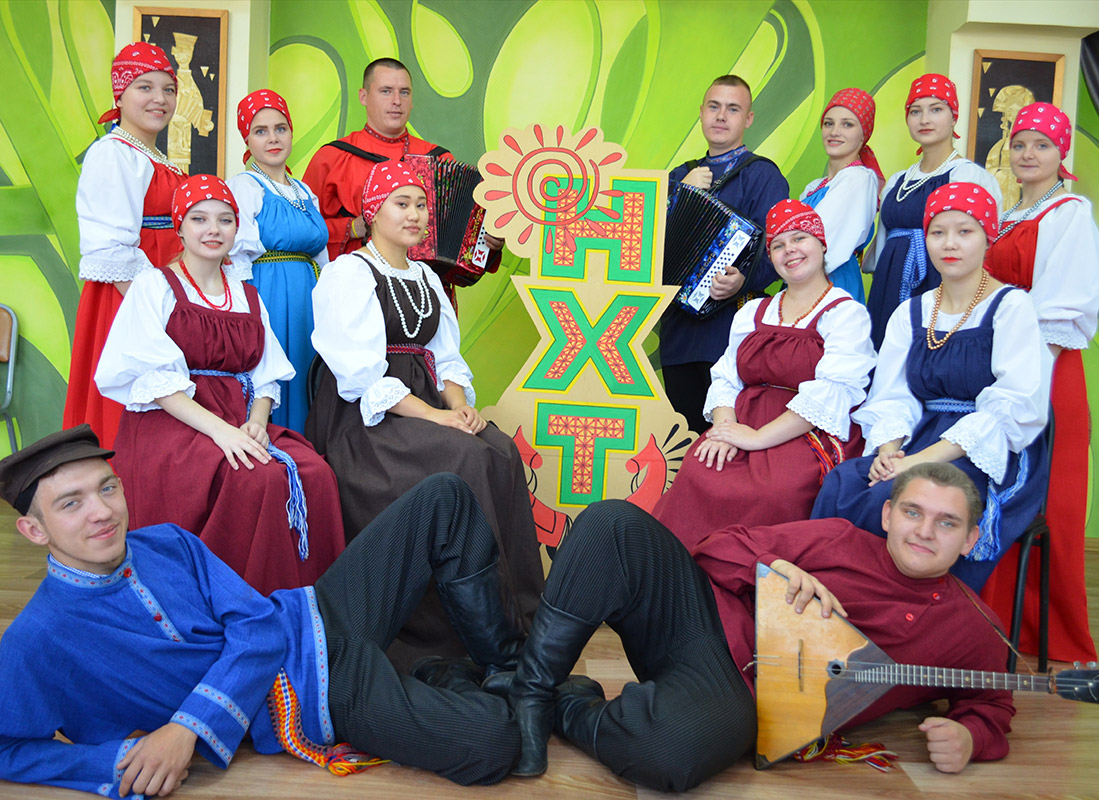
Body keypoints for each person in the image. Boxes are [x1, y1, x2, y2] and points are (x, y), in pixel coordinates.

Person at [0, 426, 525, 797]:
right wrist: (120, 762)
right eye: (71, 503)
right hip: (316, 695)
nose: (102, 512)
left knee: (444, 496)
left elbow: (259, 623)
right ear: (34, 530)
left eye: (107, 487)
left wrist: (186, 727)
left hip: (317, 614)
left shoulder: (167, 542)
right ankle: (448, 678)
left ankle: (507, 670)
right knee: (494, 745)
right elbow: (7, 748)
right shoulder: (35, 638)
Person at [493, 462, 1014, 790]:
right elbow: (716, 549)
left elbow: (994, 702)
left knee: (668, 756)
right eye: (912, 512)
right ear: (888, 516)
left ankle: (569, 705)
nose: (924, 531)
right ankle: (531, 692)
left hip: (745, 697)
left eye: (947, 523)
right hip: (702, 626)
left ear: (971, 540)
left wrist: (971, 737)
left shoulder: (973, 628)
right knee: (612, 522)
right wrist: (774, 568)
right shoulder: (839, 537)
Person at [306, 160, 543, 670]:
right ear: (373, 212)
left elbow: (446, 359)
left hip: (426, 402)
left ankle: (519, 615)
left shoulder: (426, 277)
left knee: (500, 450)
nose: (414, 214)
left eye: (420, 205)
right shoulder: (348, 273)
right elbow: (362, 377)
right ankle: (479, 633)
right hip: (367, 420)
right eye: (401, 204)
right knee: (463, 457)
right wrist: (438, 421)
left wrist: (460, 408)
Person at [94, 174, 344, 595]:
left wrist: (257, 424)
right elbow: (158, 384)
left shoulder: (247, 294)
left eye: (225, 220)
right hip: (174, 424)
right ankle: (243, 598)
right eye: (200, 219)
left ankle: (309, 602)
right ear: (180, 227)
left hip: (238, 417)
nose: (213, 229)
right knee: (257, 478)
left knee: (316, 474)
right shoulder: (155, 285)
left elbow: (266, 374)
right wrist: (222, 433)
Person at [812, 182, 1049, 591]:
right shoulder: (911, 311)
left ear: (988, 236)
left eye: (964, 231)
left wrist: (914, 463)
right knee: (846, 484)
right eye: (938, 232)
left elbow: (1011, 406)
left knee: (904, 502)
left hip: (986, 447)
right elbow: (892, 395)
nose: (949, 243)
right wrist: (889, 453)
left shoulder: (1011, 306)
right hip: (917, 434)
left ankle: (905, 613)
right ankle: (834, 602)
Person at [651, 200, 874, 549]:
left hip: (805, 430)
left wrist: (757, 438)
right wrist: (724, 431)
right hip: (743, 420)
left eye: (799, 238)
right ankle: (676, 574)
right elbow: (726, 377)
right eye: (778, 245)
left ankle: (749, 574)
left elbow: (831, 393)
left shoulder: (845, 313)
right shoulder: (755, 311)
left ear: (821, 244)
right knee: (699, 468)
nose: (790, 250)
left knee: (775, 491)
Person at [979, 102, 1099, 664]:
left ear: (1061, 153)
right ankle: (995, 621)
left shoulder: (1070, 214)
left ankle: (1051, 632)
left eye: (1042, 145)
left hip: (1044, 373)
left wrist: (1023, 375)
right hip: (1001, 365)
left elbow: (1061, 308)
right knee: (997, 490)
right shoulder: (1008, 213)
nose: (1028, 154)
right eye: (1021, 143)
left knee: (1047, 498)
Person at [63, 42, 190, 449]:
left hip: (163, 292)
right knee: (132, 407)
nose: (160, 99)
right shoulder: (112, 154)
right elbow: (111, 247)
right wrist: (152, 312)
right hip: (129, 299)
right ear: (119, 95)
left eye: (168, 89)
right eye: (144, 87)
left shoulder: (156, 158)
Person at [661, 74, 790, 433]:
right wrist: (677, 193)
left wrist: (742, 279)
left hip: (731, 330)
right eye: (714, 107)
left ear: (748, 119)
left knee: (728, 437)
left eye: (733, 109)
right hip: (677, 333)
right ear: (701, 112)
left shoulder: (763, 176)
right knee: (685, 436)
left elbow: (778, 247)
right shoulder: (679, 175)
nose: (721, 116)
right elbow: (643, 243)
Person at [301, 57, 504, 267]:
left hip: (426, 279)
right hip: (359, 276)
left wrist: (489, 241)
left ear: (412, 100)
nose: (397, 100)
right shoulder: (332, 157)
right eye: (386, 91)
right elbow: (303, 232)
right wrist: (352, 228)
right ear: (363, 96)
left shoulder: (439, 160)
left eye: (404, 92)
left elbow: (466, 238)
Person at [864, 74, 1001, 350]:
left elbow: (984, 244)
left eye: (936, 109)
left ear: (953, 117)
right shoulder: (898, 181)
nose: (924, 119)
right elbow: (883, 240)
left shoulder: (967, 176)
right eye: (916, 111)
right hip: (888, 283)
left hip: (939, 282)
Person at [228, 90, 329, 432]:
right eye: (261, 131)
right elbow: (236, 257)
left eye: (280, 128)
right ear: (247, 140)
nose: (273, 138)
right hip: (268, 297)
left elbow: (321, 256)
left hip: (309, 300)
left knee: (310, 376)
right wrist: (248, 315)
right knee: (276, 376)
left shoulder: (304, 191)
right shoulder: (244, 187)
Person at [800, 87, 884, 303]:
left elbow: (824, 245)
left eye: (847, 124)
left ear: (863, 134)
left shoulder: (859, 178)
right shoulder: (816, 186)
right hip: (803, 280)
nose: (834, 131)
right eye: (829, 123)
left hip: (831, 285)